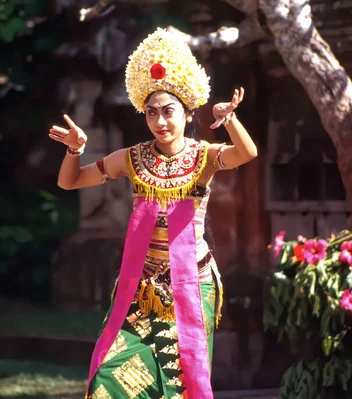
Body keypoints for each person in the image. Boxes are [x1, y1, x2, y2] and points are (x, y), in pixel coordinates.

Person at [48, 28, 257, 399]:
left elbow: (246, 154)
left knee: (180, 385)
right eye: (151, 113)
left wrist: (228, 119)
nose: (160, 121)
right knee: (108, 381)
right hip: (142, 289)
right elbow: (71, 182)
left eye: (169, 112)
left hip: (192, 287)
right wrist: (75, 150)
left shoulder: (204, 156)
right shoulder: (132, 158)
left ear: (189, 112)